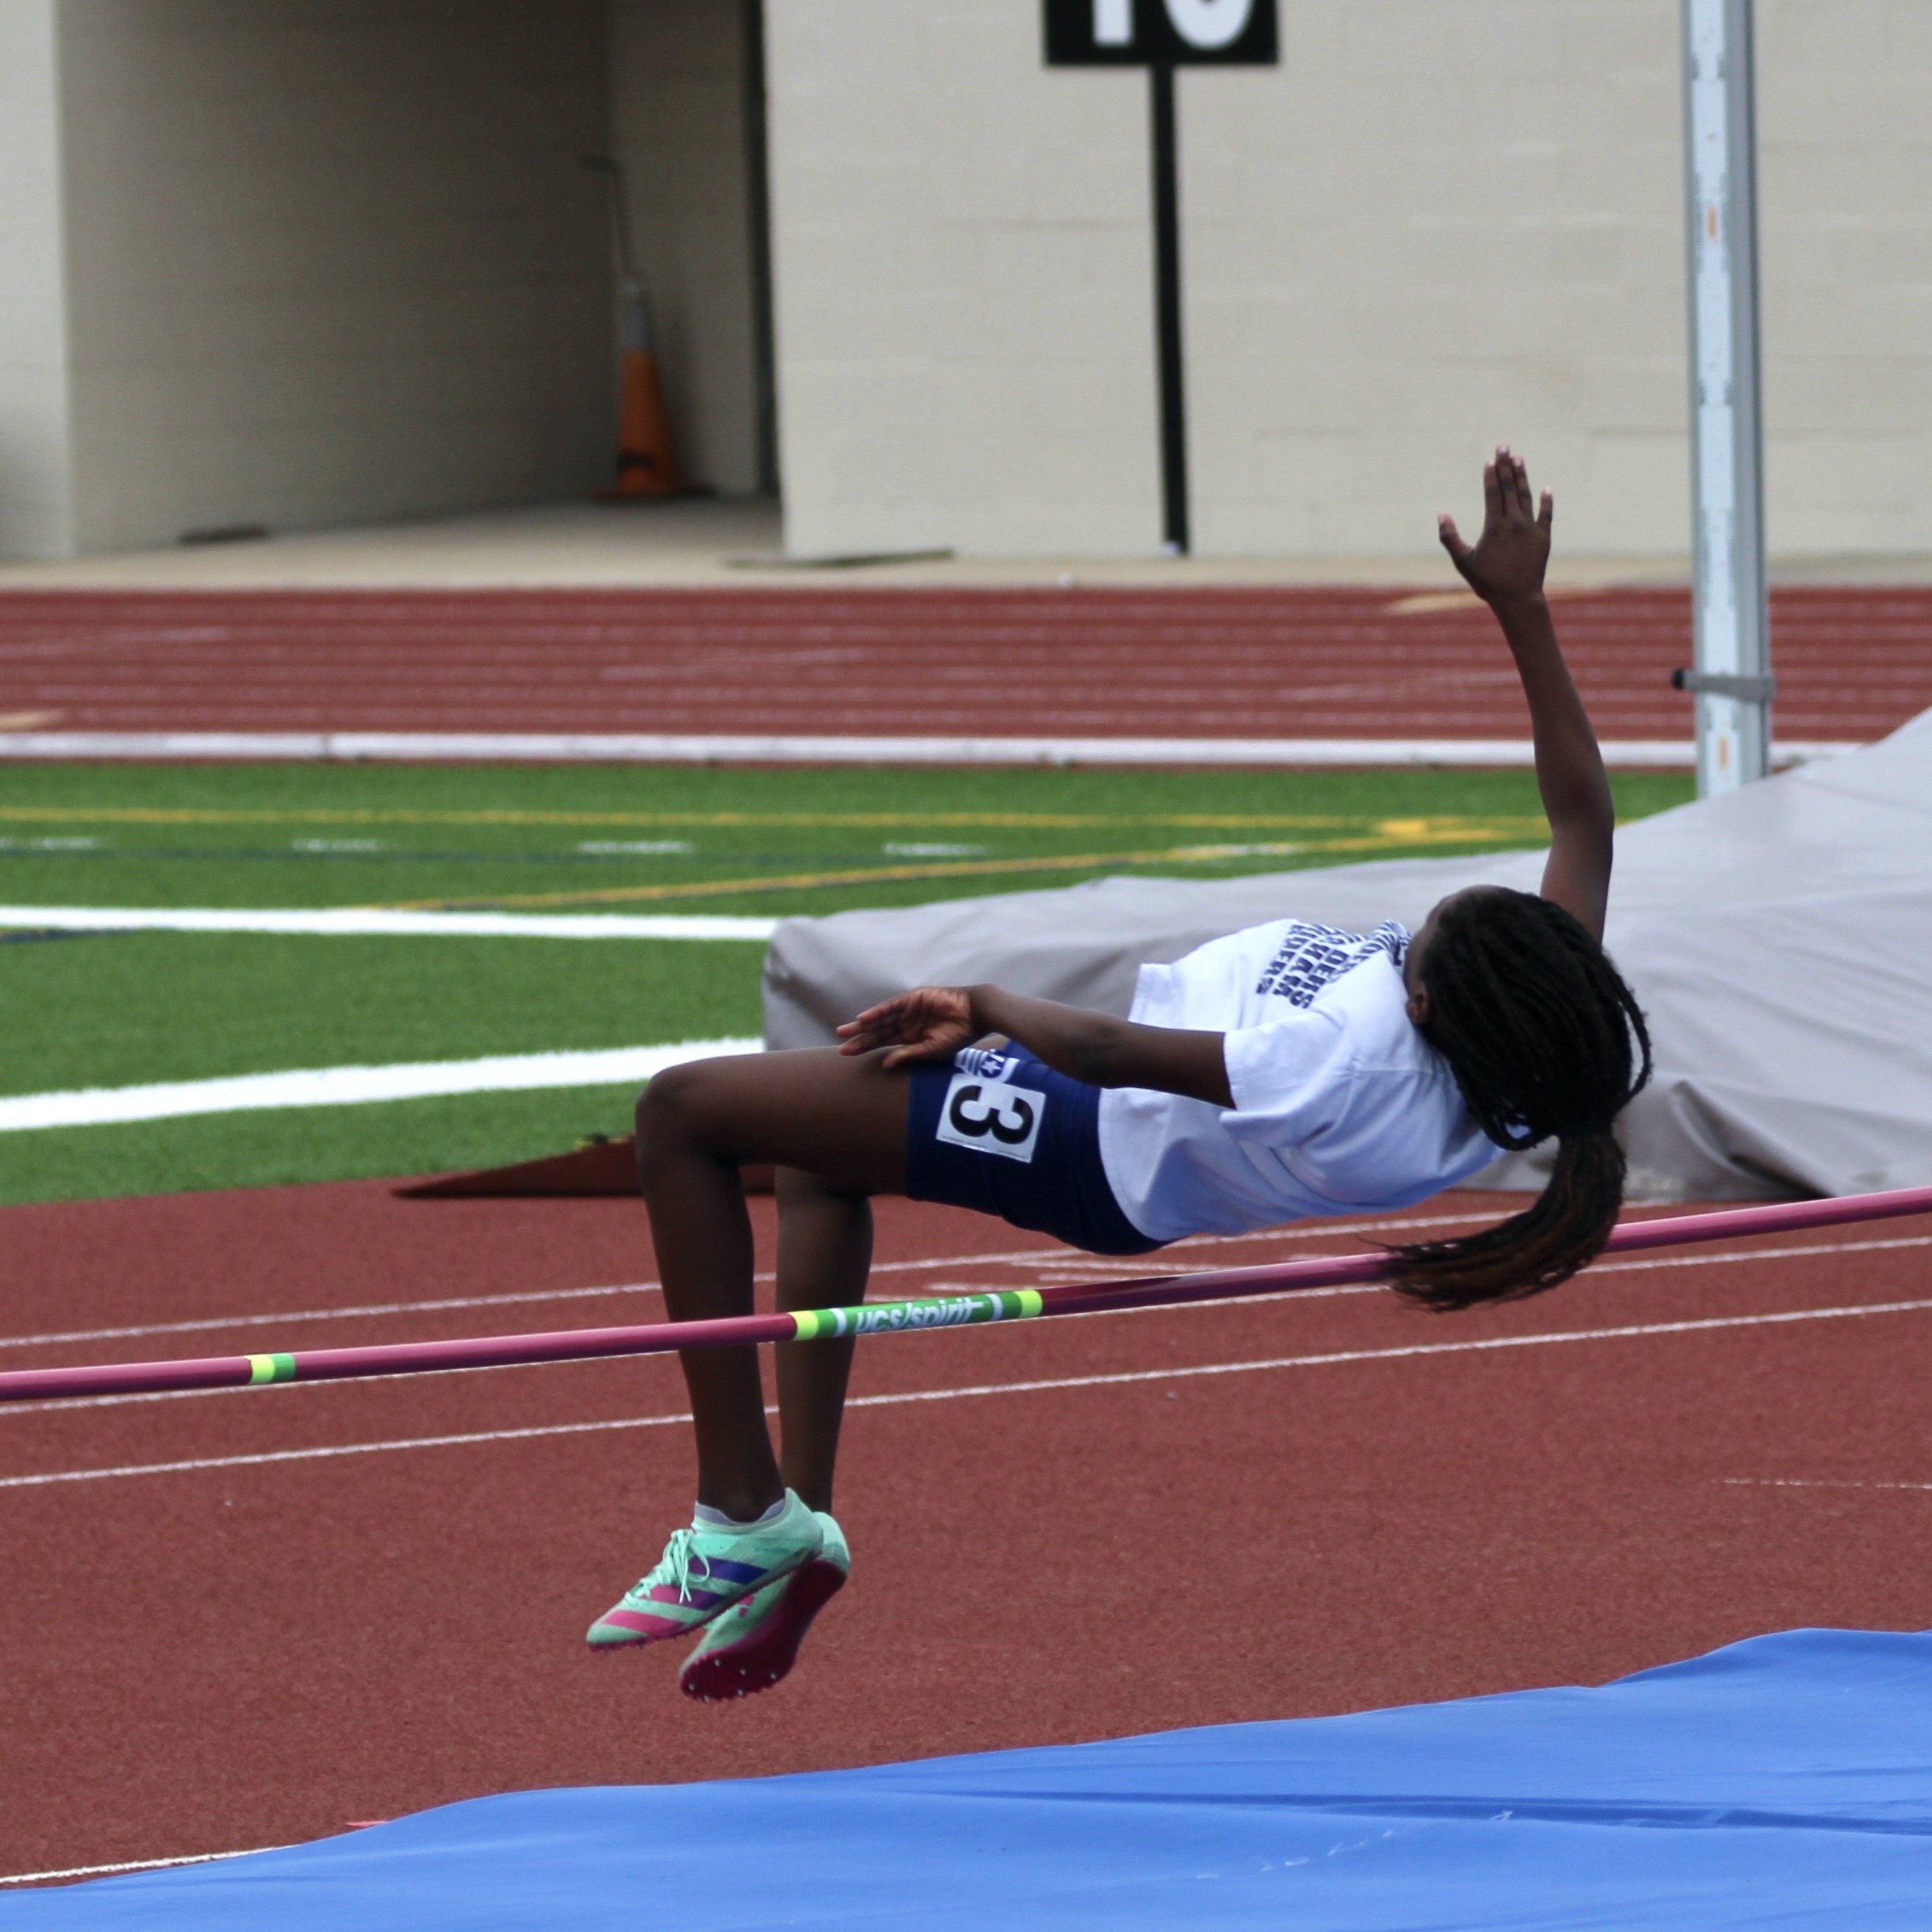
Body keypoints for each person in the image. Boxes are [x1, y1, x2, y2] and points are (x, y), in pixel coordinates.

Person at [587, 447, 1652, 1701]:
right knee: (817, 1167)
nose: (1426, 918)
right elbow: (1582, 816)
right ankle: (796, 1526)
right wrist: (1521, 611)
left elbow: (1098, 1053)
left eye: (1423, 933)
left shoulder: (1343, 1065)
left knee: (683, 1112)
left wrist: (980, 1005)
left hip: (1089, 1144)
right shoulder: (1533, 1011)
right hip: (1109, 1118)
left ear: (1425, 1002)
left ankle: (734, 1507)